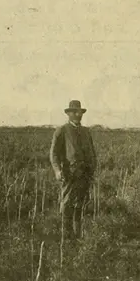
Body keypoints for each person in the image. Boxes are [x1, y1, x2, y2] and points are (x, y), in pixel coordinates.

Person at [50, 100, 97, 239]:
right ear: (69, 114)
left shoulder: (86, 131)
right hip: (69, 174)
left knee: (81, 204)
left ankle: (78, 235)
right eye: (74, 112)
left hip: (85, 173)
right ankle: (67, 236)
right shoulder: (62, 130)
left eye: (80, 112)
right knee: (67, 204)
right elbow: (54, 153)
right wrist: (57, 170)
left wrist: (92, 167)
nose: (78, 114)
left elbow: (92, 152)